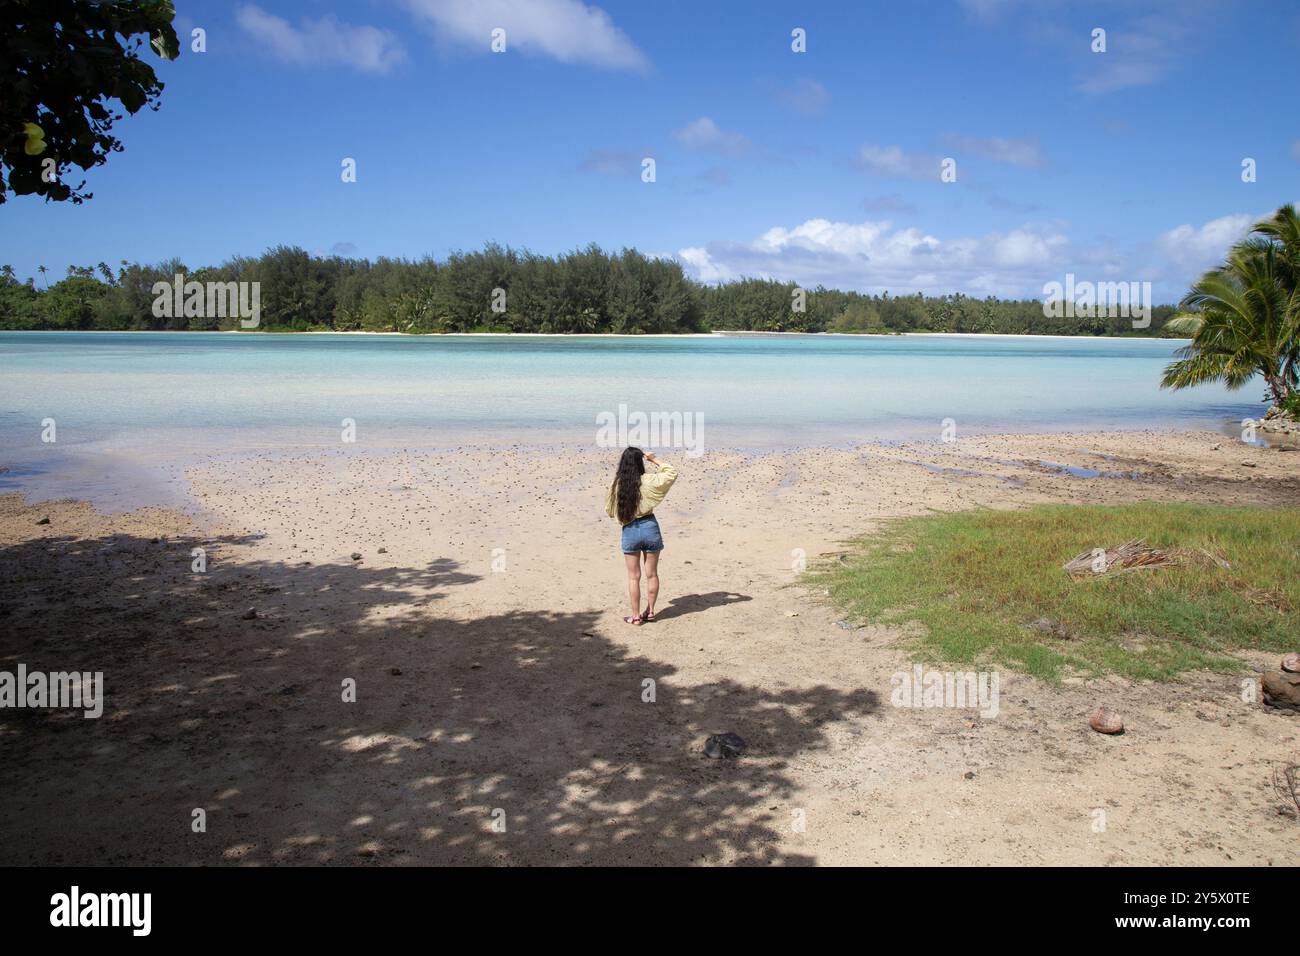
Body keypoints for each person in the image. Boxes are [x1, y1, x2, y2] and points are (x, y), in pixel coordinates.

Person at [605, 446, 678, 625]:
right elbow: (671, 472)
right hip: (650, 527)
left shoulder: (618, 484)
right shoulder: (649, 480)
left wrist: (626, 514)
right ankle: (651, 612)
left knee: (633, 577)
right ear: (640, 462)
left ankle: (636, 616)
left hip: (629, 529)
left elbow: (609, 510)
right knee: (651, 574)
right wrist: (653, 459)